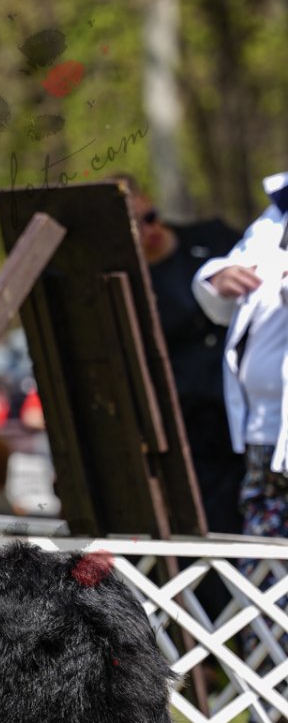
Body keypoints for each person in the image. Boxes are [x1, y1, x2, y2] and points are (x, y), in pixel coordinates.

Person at [117, 175, 244, 534]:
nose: (149, 230)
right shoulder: (125, 283)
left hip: (242, 405)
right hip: (190, 424)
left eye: (150, 216)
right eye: (135, 227)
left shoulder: (212, 238)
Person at [192, 171, 288, 538]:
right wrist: (219, 277)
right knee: (264, 553)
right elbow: (222, 294)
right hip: (264, 427)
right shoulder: (276, 215)